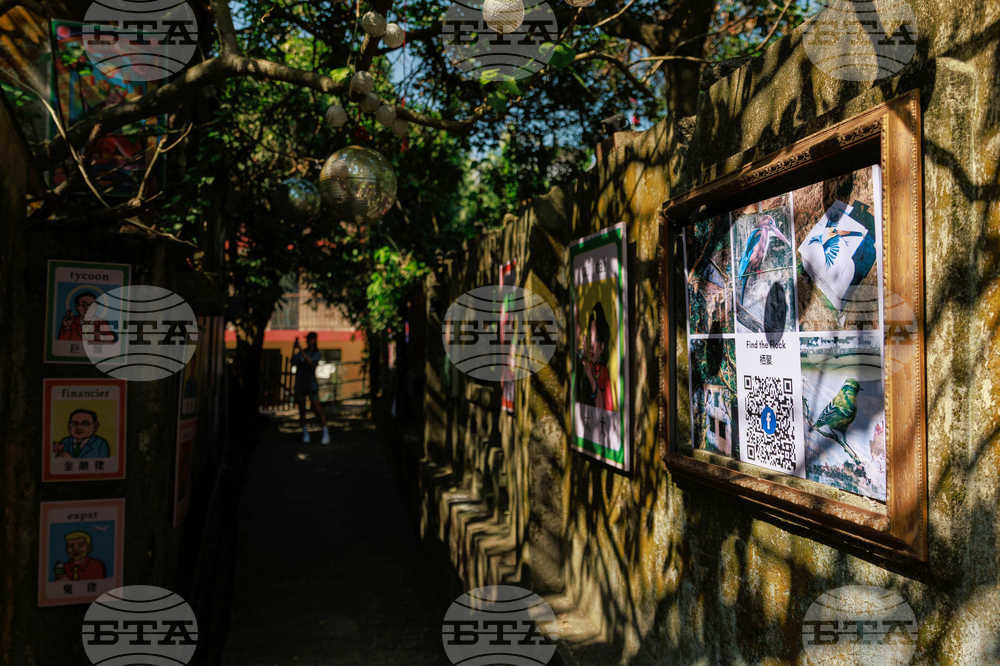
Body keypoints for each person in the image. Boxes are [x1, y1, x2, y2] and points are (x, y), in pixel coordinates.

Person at [293, 332, 329, 444]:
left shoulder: (316, 353)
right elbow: (292, 362)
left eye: (310, 339)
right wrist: (294, 348)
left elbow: (310, 362)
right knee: (302, 410)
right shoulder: (300, 353)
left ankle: (325, 432)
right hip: (300, 384)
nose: (308, 341)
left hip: (311, 385)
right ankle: (305, 433)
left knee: (317, 409)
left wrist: (300, 349)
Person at [581, 303, 617, 412]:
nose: (592, 345)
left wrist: (590, 376)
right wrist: (584, 356)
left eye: (595, 340)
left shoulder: (604, 373)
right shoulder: (589, 366)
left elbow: (605, 407)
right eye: (590, 339)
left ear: (602, 347)